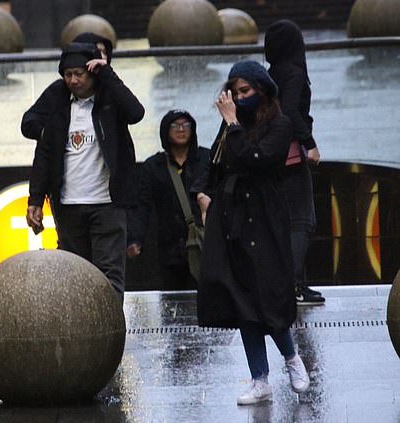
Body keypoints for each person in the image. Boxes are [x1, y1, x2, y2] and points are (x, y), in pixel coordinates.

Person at [192, 60, 310, 405]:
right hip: (232, 218)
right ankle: (260, 378)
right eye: (235, 91)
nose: (239, 98)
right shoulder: (231, 126)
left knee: (268, 295)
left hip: (265, 216)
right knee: (242, 299)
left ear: (262, 90)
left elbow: (256, 159)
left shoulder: (280, 123)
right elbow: (213, 164)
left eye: (246, 92)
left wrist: (232, 123)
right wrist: (201, 193)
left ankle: (291, 358)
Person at [25, 42, 144, 301]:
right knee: (73, 276)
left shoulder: (109, 96)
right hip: (68, 204)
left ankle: (110, 335)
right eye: (68, 75)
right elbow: (41, 148)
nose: (74, 80)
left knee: (109, 275)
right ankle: (81, 336)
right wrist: (35, 198)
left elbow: (136, 113)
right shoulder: (57, 97)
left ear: (92, 73)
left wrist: (108, 72)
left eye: (80, 74)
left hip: (107, 203)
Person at [265, 19, 325, 306]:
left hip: (271, 159)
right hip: (290, 158)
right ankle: (295, 286)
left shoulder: (271, 73)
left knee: (283, 224)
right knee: (301, 221)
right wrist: (310, 144)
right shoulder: (294, 73)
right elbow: (289, 111)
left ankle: (290, 284)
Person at [127, 109, 210, 290]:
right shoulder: (153, 166)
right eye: (175, 125)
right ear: (165, 130)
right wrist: (135, 239)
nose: (181, 129)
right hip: (170, 248)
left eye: (186, 125)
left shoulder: (206, 160)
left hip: (204, 244)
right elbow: (142, 206)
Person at [21, 32, 114, 142]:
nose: (103, 57)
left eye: (104, 52)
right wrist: (49, 135)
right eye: (97, 51)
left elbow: (135, 113)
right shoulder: (58, 91)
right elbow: (29, 122)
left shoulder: (113, 88)